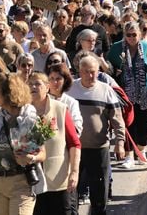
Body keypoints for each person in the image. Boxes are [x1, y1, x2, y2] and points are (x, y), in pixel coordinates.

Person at [66, 56, 125, 215]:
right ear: (80, 71)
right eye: (86, 72)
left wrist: (120, 142)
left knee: (99, 189)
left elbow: (117, 119)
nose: (90, 75)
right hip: (74, 148)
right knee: (72, 188)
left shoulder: (106, 90)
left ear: (98, 72)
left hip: (99, 148)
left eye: (93, 72)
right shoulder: (70, 89)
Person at [0, 73, 47, 215]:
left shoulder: (30, 119)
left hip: (21, 185)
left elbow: (42, 154)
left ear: (8, 94)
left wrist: (31, 158)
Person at [28, 73, 81, 215]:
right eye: (30, 84)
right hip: (32, 181)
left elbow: (74, 144)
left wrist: (74, 172)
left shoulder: (60, 109)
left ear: (47, 87)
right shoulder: (23, 112)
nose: (33, 87)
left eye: (37, 84)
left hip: (58, 180)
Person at [107, 21, 147, 167]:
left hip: (143, 92)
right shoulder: (116, 48)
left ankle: (141, 150)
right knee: (128, 123)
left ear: (140, 34)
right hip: (125, 92)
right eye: (128, 35)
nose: (131, 38)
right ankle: (129, 155)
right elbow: (109, 67)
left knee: (144, 123)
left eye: (134, 35)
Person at [46, 63, 83, 136]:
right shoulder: (42, 99)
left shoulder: (71, 102)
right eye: (51, 78)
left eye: (58, 79)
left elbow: (77, 126)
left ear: (65, 80)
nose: (54, 82)